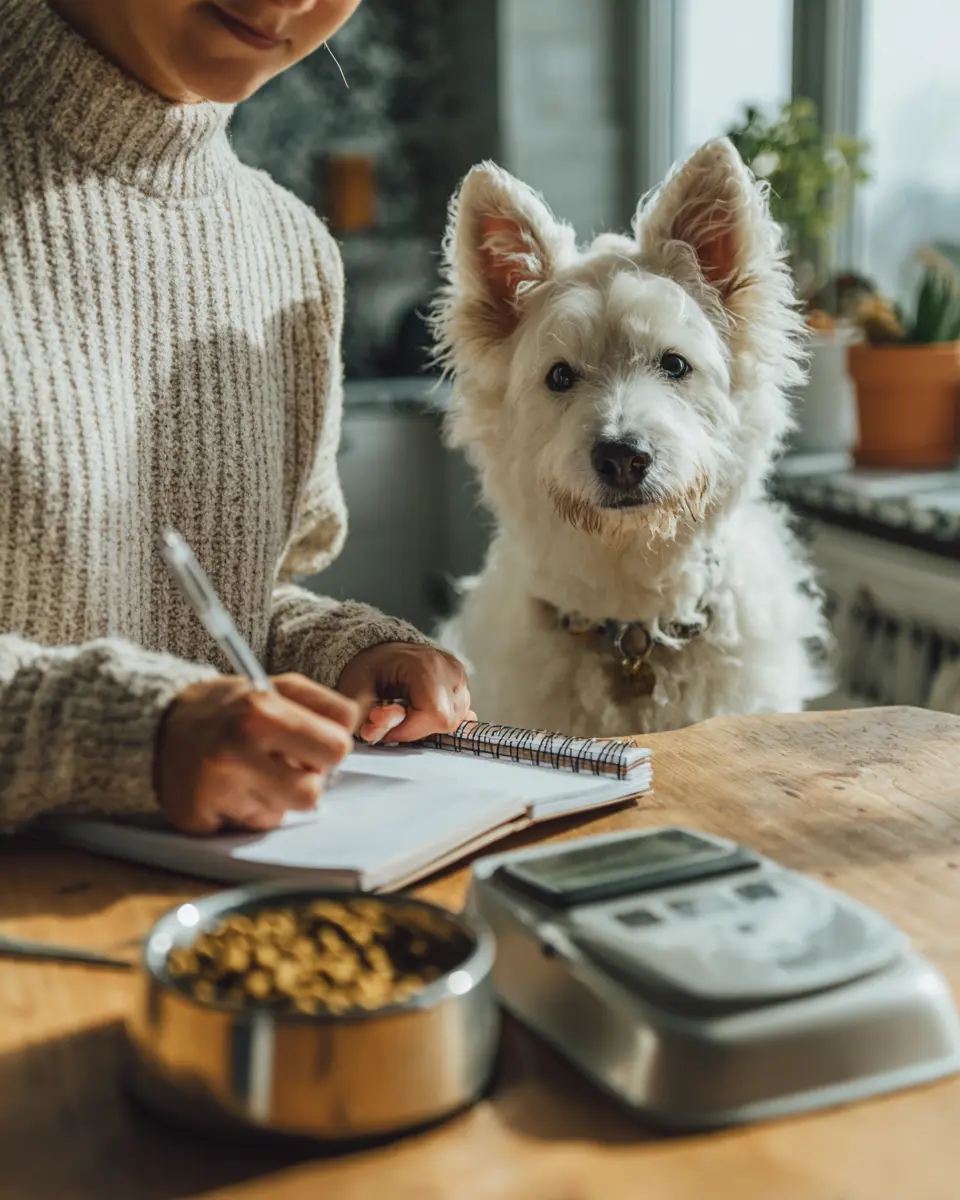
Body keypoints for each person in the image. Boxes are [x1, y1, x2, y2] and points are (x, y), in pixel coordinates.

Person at [0, 0, 473, 834]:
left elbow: (228, 604)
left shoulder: (292, 250)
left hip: (206, 934)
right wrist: (134, 739)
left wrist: (344, 655)